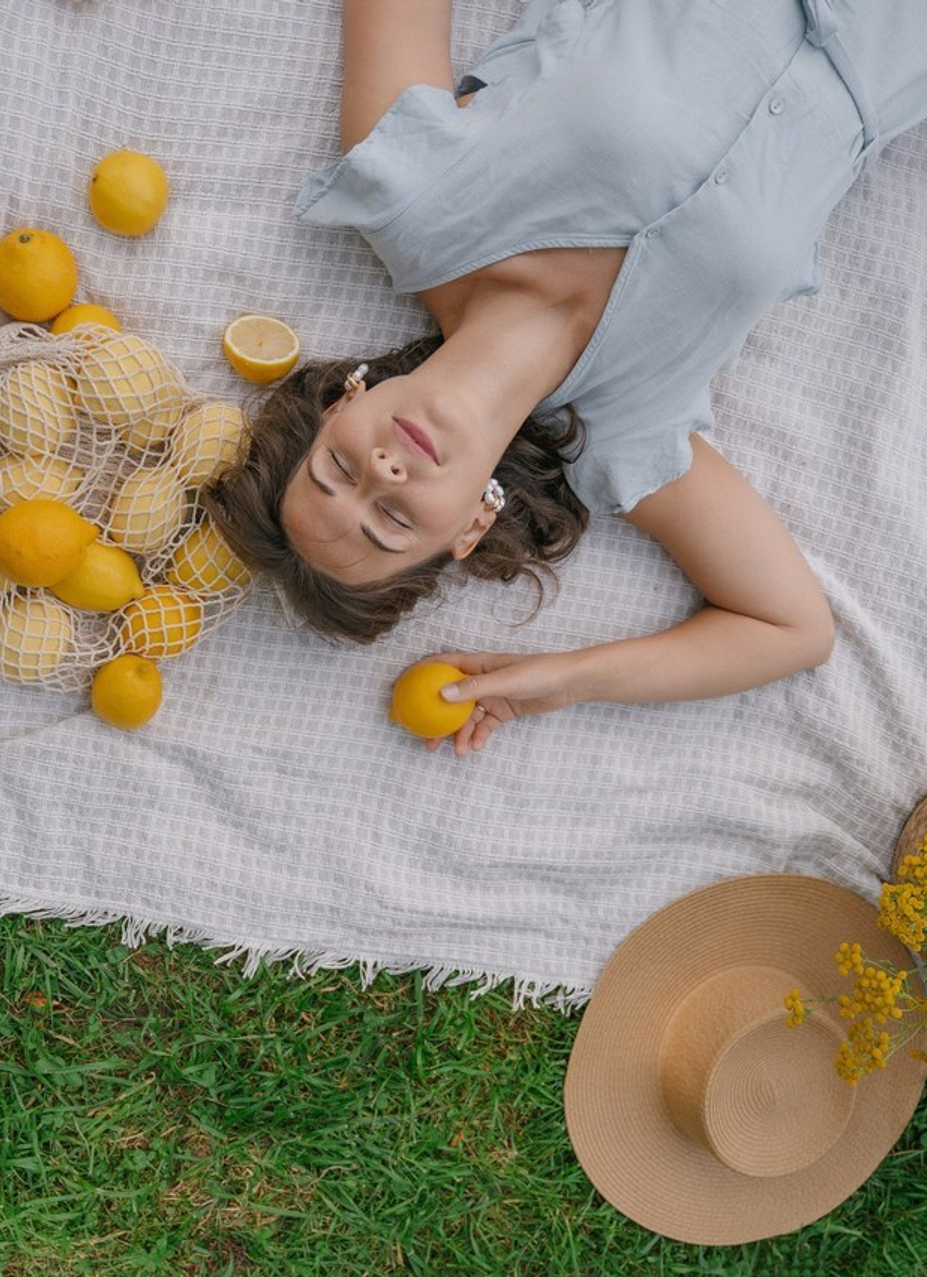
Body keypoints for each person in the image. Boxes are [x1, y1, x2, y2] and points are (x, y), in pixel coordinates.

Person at [205, 0, 927, 755]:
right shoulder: (627, 434)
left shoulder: (411, 197)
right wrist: (562, 681)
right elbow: (791, 630)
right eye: (393, 521)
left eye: (338, 469)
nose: (382, 473)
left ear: (341, 400)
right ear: (470, 526)